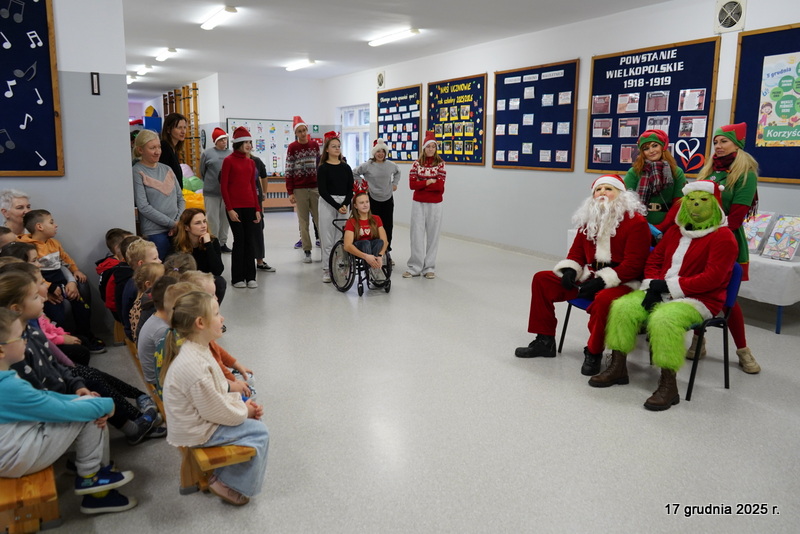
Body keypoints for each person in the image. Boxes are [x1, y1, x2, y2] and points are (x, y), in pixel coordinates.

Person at [595, 181, 739, 411]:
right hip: (660, 289)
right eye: (691, 200)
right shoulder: (674, 231)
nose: (695, 205)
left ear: (714, 205)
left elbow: (713, 278)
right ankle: (618, 367)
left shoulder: (723, 237)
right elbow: (655, 259)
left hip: (699, 299)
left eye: (703, 200)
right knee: (622, 307)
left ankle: (668, 384)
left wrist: (670, 286)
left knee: (664, 319)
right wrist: (653, 285)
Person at [0, 308, 139, 515]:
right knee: (91, 415)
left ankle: (93, 470)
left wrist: (83, 400)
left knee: (88, 406)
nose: (25, 341)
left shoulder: (6, 378)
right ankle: (94, 486)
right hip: (14, 457)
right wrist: (107, 406)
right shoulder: (8, 386)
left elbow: (44, 399)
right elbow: (53, 408)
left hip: (15, 446)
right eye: (20, 337)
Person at [0, 270, 164, 445]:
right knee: (92, 381)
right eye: (35, 295)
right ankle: (134, 425)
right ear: (16, 308)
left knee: (90, 374)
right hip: (54, 398)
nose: (42, 297)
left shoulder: (30, 331)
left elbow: (54, 361)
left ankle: (137, 399)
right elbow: (42, 396)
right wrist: (81, 396)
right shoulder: (17, 349)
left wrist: (76, 382)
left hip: (60, 382)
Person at [514, 174, 651, 376]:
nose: (602, 193)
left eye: (609, 189)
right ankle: (544, 340)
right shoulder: (588, 221)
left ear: (621, 195)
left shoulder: (636, 222)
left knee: (603, 300)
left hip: (623, 281)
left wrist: (602, 282)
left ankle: (594, 352)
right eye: (598, 190)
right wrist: (570, 270)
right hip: (590, 275)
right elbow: (576, 253)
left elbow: (634, 265)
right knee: (542, 280)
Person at [659, 123, 761, 374]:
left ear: (737, 144)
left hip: (724, 239)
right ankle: (699, 340)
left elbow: (735, 217)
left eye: (724, 141)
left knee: (728, 299)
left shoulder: (745, 174)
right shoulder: (709, 171)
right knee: (697, 288)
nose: (718, 146)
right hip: (697, 240)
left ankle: (743, 350)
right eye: (716, 142)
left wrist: (708, 236)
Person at [162, 290, 269, 506]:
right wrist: (244, 411)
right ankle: (226, 483)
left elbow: (219, 388)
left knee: (251, 421)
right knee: (260, 433)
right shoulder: (194, 365)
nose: (222, 318)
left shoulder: (197, 349)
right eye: (217, 314)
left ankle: (226, 475)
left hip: (200, 420)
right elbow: (215, 411)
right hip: (196, 430)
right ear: (200, 323)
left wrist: (242, 404)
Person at [18, 209, 105, 353]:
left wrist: (75, 271)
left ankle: (85, 337)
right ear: (40, 227)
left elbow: (66, 259)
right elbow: (30, 272)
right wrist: (49, 287)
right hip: (46, 286)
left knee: (83, 309)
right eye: (51, 222)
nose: (56, 225)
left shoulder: (54, 243)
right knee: (58, 316)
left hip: (61, 281)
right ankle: (64, 345)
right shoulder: (27, 247)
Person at [623, 129, 686, 240]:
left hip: (669, 225)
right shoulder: (634, 172)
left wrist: (662, 227)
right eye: (646, 148)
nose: (651, 151)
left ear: (663, 147)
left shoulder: (677, 172)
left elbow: (679, 202)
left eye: (655, 145)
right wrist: (643, 225)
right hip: (638, 225)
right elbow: (625, 203)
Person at [133, 129, 186, 260]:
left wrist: (178, 222)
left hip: (176, 229)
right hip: (154, 231)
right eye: (152, 148)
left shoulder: (167, 169)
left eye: (159, 147)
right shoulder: (137, 171)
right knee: (159, 267)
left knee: (178, 266)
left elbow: (180, 199)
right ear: (140, 150)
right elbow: (143, 206)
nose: (157, 152)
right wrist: (171, 224)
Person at [220, 127, 262, 289]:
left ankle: (250, 276)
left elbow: (253, 186)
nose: (249, 145)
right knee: (240, 241)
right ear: (238, 143)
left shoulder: (251, 162)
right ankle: (237, 278)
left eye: (250, 142)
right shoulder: (228, 161)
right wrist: (229, 208)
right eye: (246, 142)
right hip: (235, 208)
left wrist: (257, 209)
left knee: (250, 241)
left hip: (250, 206)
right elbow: (224, 187)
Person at [403, 131, 446, 279]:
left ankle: (429, 267)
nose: (431, 149)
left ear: (436, 148)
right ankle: (415, 267)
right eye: (428, 146)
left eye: (433, 147)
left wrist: (421, 184)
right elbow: (412, 185)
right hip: (419, 203)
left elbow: (440, 187)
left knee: (433, 236)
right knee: (416, 235)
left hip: (435, 204)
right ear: (424, 148)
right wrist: (428, 181)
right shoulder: (416, 164)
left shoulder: (440, 164)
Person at [352, 138, 401, 254]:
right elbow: (354, 173)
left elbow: (398, 172)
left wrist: (394, 184)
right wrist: (364, 185)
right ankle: (373, 250)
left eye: (383, 151)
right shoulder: (368, 165)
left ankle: (386, 251)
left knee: (387, 226)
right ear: (374, 153)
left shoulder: (390, 165)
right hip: (372, 199)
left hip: (387, 199)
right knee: (373, 226)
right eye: (378, 151)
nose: (381, 154)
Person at [317, 133, 353, 283]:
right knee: (327, 237)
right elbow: (323, 191)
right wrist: (337, 206)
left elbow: (350, 189)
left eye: (339, 146)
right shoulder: (323, 168)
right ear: (327, 149)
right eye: (334, 146)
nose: (337, 149)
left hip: (343, 203)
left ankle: (339, 265)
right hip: (328, 203)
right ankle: (327, 269)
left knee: (341, 237)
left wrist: (345, 204)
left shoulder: (346, 167)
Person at [285, 116, 320, 264]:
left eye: (304, 130)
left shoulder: (314, 145)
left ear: (307, 130)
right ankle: (307, 250)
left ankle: (326, 248)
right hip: (299, 189)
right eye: (299, 131)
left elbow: (319, 165)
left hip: (315, 188)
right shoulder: (292, 147)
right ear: (296, 133)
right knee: (303, 221)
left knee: (319, 219)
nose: (303, 133)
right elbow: (289, 169)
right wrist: (290, 192)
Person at [200, 127, 233, 253]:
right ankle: (213, 243)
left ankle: (223, 242)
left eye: (225, 139)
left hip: (227, 193)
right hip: (211, 192)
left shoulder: (230, 153)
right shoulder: (207, 153)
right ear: (215, 141)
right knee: (212, 219)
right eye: (221, 140)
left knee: (225, 219)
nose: (224, 142)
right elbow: (202, 171)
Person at [343, 190, 389, 282]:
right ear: (355, 206)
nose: (365, 205)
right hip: (359, 246)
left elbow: (385, 241)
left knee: (379, 241)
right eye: (361, 203)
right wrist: (366, 256)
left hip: (373, 247)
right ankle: (371, 268)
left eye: (367, 202)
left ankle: (375, 267)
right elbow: (347, 246)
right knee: (366, 243)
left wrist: (380, 255)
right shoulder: (351, 221)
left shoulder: (376, 219)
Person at [249, 153, 276, 272]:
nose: (247, 145)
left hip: (256, 198)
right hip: (242, 200)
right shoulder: (232, 160)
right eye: (244, 144)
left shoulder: (256, 161)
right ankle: (247, 260)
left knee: (259, 229)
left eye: (249, 144)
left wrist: (264, 192)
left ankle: (259, 261)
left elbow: (264, 176)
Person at [159, 113, 188, 189]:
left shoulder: (173, 148)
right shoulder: (164, 147)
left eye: (184, 127)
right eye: (179, 128)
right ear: (168, 130)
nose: (183, 131)